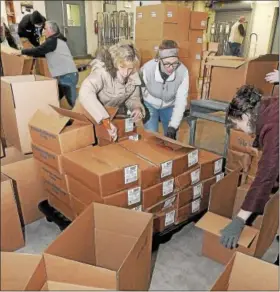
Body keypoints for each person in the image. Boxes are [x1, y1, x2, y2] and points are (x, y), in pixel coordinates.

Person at [221, 85, 279, 250]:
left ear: (246, 114)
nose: (239, 129)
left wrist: (240, 219)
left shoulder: (275, 126)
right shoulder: (266, 106)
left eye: (238, 124)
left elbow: (267, 173)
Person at [78, 41, 145, 141]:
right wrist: (105, 120)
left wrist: (136, 108)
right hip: (91, 112)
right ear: (115, 63)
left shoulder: (133, 75)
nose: (126, 73)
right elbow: (85, 92)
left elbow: (133, 98)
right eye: (122, 67)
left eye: (129, 68)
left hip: (112, 114)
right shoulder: (102, 72)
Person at [13, 21, 78, 108]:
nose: (43, 31)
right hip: (65, 74)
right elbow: (42, 52)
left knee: (75, 103)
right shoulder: (57, 39)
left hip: (67, 75)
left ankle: (86, 119)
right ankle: (53, 115)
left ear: (50, 30)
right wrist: (30, 53)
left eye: (45, 28)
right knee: (54, 96)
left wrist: (21, 52)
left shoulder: (52, 40)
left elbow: (39, 50)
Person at [140, 40, 189, 140]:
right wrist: (141, 106)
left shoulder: (183, 72)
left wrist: (173, 126)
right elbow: (138, 91)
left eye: (175, 63)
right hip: (150, 104)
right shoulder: (147, 69)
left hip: (169, 104)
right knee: (152, 138)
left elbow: (181, 101)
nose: (171, 68)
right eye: (167, 63)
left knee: (171, 139)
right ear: (158, 59)